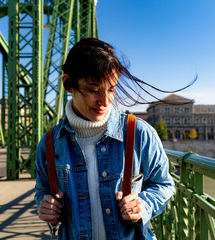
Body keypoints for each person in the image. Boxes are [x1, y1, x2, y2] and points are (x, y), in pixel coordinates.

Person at [34, 38, 177, 239]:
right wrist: (46, 206)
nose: (105, 101)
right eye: (94, 90)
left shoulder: (139, 133)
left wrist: (143, 205)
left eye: (111, 89)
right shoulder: (49, 143)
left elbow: (163, 185)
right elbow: (42, 191)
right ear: (68, 83)